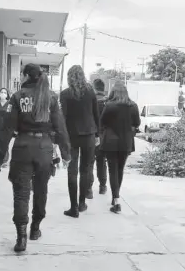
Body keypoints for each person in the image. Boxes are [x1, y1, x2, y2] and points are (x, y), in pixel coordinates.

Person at [0, 63, 71, 253]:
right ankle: (35, 228)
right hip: (44, 149)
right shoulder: (52, 97)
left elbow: (7, 129)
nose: (20, 78)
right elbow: (61, 128)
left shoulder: (17, 97)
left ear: (27, 75)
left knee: (21, 193)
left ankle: (21, 238)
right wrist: (66, 154)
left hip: (23, 147)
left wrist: (0, 157)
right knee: (41, 190)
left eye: (21, 75)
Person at [60, 65, 100, 218]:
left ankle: (73, 208)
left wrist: (62, 138)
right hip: (89, 134)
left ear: (69, 77)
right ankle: (82, 203)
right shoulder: (90, 91)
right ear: (83, 76)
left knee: (72, 171)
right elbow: (96, 114)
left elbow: (63, 117)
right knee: (85, 170)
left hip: (72, 136)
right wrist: (98, 134)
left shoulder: (65, 94)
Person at [100, 81, 140, 213]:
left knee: (112, 170)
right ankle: (115, 197)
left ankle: (116, 200)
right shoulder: (133, 106)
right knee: (120, 170)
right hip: (126, 141)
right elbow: (137, 123)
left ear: (113, 92)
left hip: (111, 141)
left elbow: (102, 122)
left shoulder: (109, 105)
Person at [92, 78, 108, 194]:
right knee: (101, 161)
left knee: (88, 162)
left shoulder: (91, 102)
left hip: (91, 135)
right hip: (104, 136)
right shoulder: (107, 103)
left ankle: (88, 188)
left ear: (94, 88)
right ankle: (102, 186)